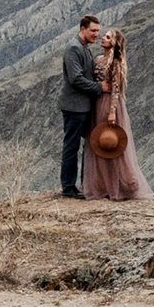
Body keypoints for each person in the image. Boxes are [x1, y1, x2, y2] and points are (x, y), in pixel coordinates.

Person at [83, 29, 151, 201]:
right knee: (98, 143)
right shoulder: (98, 59)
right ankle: (103, 185)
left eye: (107, 37)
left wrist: (112, 111)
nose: (102, 39)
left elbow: (116, 88)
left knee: (111, 142)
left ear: (114, 42)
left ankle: (123, 184)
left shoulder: (115, 62)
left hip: (108, 104)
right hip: (97, 103)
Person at [58, 15, 104, 198]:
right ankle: (68, 187)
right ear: (82, 29)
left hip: (82, 106)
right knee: (72, 146)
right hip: (74, 106)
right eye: (93, 31)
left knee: (87, 145)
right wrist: (99, 88)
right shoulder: (74, 48)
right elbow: (76, 79)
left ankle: (86, 184)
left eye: (97, 31)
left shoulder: (83, 48)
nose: (96, 34)